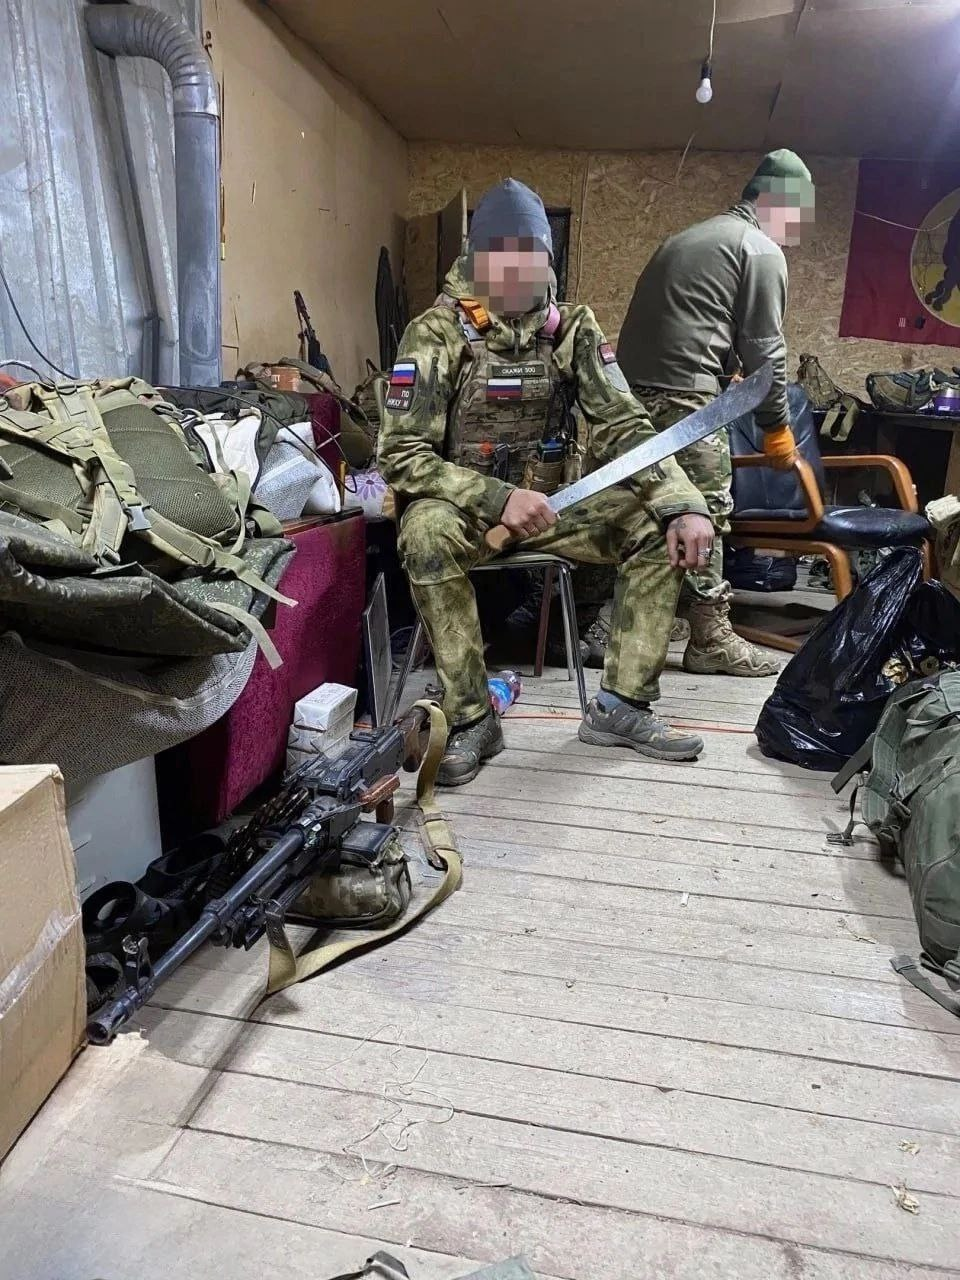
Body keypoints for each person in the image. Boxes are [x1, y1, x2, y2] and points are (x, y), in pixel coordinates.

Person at [377, 178, 716, 786]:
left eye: (529, 260)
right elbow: (401, 455)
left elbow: (624, 425)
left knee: (652, 523)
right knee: (423, 532)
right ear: (476, 259)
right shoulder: (435, 334)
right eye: (500, 260)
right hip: (464, 514)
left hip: (555, 508)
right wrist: (498, 498)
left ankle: (621, 706)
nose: (515, 276)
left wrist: (682, 502)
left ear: (547, 262)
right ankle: (472, 717)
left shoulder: (572, 330)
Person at [604, 149, 816, 678]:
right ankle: (711, 638)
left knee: (639, 504)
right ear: (776, 201)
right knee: (706, 508)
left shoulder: (686, 238)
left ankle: (603, 621)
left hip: (631, 397)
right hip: (685, 396)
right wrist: (776, 427)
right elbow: (766, 351)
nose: (799, 227)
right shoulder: (759, 248)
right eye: (799, 212)